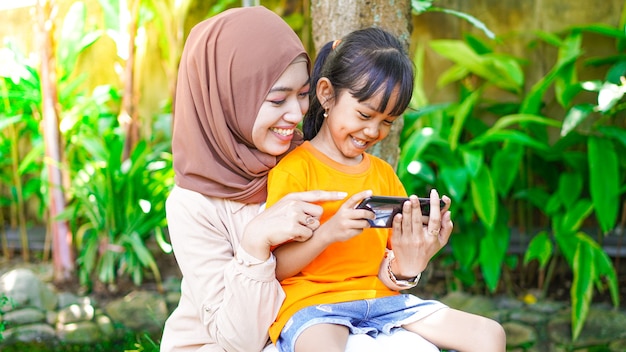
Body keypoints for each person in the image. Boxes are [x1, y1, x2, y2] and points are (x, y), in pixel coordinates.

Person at [161, 6, 448, 352]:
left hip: (327, 321)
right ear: (228, 99)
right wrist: (255, 244)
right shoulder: (192, 204)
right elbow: (239, 341)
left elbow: (350, 271)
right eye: (277, 99)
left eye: (302, 94)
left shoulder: (316, 158)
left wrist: (406, 266)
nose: (297, 113)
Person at [265, 27, 507, 352]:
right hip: (314, 304)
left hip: (382, 302)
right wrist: (328, 233)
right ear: (325, 94)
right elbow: (276, 267)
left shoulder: (382, 173)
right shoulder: (296, 169)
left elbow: (392, 269)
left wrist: (417, 252)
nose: (373, 131)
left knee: (490, 335)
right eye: (365, 114)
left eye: (387, 122)